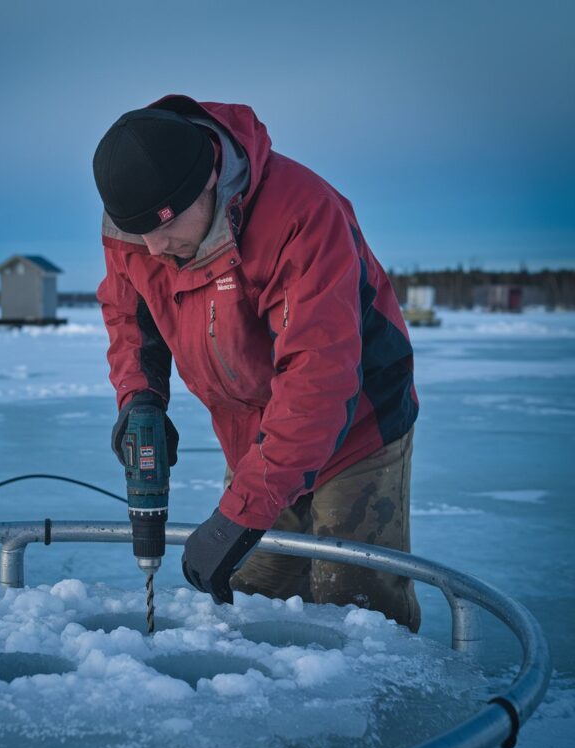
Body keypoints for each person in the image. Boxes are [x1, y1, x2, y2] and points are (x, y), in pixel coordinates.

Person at [92, 95, 421, 632]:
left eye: (163, 227)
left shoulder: (301, 214)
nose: (151, 248)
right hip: (254, 431)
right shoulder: (137, 223)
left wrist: (237, 517)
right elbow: (128, 315)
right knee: (254, 602)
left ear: (207, 185)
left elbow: (319, 380)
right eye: (137, 232)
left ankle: (382, 714)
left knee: (354, 615)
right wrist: (140, 397)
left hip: (357, 424)